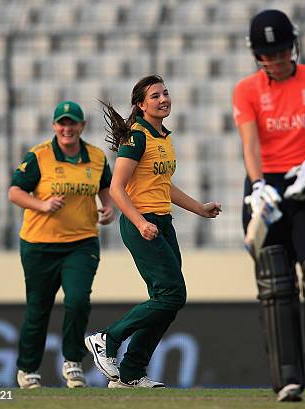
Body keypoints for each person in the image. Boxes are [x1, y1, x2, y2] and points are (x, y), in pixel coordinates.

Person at [233, 9, 305, 402]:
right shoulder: (246, 89)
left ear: (292, 47)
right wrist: (259, 185)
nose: (277, 61)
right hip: (267, 189)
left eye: (282, 52)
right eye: (269, 55)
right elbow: (249, 144)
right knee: (275, 287)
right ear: (257, 56)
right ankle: (288, 380)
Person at [85, 75, 221, 388]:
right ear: (141, 105)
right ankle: (107, 338)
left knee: (167, 298)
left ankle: (131, 372)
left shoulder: (162, 137)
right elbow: (117, 189)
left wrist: (199, 208)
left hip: (162, 224)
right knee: (173, 295)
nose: (163, 99)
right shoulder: (137, 136)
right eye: (155, 96)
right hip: (141, 224)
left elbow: (164, 186)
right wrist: (140, 222)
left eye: (165, 93)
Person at [8, 101, 115, 389]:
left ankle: (72, 363)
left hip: (82, 242)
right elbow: (15, 192)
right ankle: (28, 369)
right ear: (55, 126)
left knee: (78, 300)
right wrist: (41, 205)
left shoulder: (95, 156)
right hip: (39, 245)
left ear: (82, 126)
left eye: (73, 123)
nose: (67, 129)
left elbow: (106, 187)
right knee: (38, 308)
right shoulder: (40, 156)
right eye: (62, 123)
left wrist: (108, 207)